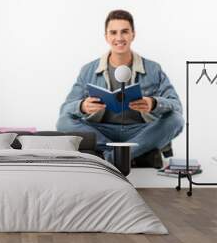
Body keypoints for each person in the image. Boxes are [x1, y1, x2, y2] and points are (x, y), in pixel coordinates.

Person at [56, 9, 184, 167]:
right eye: (113, 32)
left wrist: (154, 103)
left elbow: (176, 106)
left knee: (176, 119)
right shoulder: (88, 70)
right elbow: (65, 111)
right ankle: (137, 155)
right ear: (106, 36)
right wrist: (82, 106)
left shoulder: (153, 69)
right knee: (63, 122)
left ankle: (109, 158)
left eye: (124, 32)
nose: (119, 38)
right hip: (102, 132)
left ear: (133, 34)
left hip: (140, 131)